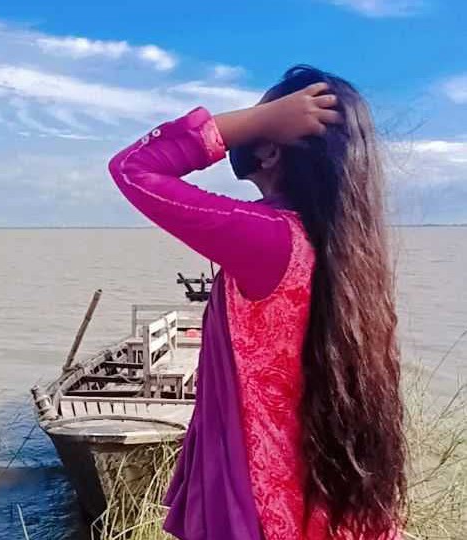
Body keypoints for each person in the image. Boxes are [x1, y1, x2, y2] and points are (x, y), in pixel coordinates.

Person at [107, 64, 406, 540]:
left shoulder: (270, 240)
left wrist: (255, 121)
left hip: (258, 505)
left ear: (270, 147)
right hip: (323, 500)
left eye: (266, 117)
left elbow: (133, 168)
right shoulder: (354, 255)